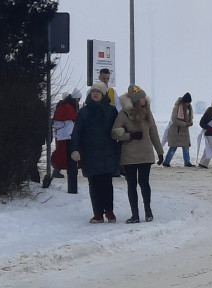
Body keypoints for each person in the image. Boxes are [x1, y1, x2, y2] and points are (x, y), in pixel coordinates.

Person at [70, 82, 120, 223]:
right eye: (93, 91)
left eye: (98, 91)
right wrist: (74, 149)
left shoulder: (111, 111)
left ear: (104, 94)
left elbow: (118, 128)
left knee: (107, 183)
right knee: (94, 184)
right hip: (90, 153)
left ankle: (109, 211)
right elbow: (77, 132)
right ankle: (98, 213)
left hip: (107, 152)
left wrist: (120, 133)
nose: (95, 93)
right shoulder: (84, 112)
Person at [113, 86, 164, 223]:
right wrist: (130, 136)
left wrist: (160, 152)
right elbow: (114, 133)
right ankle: (135, 214)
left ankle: (148, 211)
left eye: (144, 97)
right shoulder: (123, 114)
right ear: (135, 100)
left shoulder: (147, 113)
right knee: (131, 184)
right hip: (129, 155)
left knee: (144, 182)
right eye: (141, 97)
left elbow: (153, 133)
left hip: (145, 154)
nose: (144, 99)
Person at [47, 89, 81, 192]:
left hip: (62, 135)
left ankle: (57, 170)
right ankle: (59, 171)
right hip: (67, 136)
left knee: (62, 154)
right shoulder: (68, 107)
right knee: (66, 155)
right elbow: (71, 121)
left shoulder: (63, 106)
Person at [163, 92, 195, 167]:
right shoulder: (177, 107)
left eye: (189, 102)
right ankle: (166, 162)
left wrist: (190, 123)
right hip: (175, 130)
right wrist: (185, 124)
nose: (188, 104)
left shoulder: (189, 108)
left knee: (186, 146)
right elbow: (174, 119)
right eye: (187, 102)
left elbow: (190, 117)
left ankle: (187, 162)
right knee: (173, 147)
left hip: (185, 131)